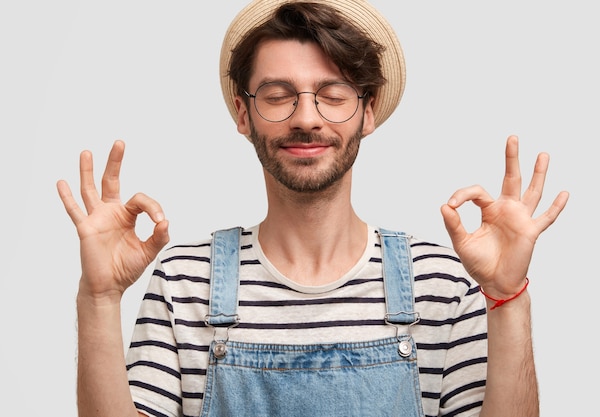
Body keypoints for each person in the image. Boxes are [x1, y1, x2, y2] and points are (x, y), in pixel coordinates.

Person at [57, 1, 569, 417]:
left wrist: (507, 298)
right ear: (243, 113)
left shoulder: (440, 284)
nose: (306, 118)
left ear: (368, 111)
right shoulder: (185, 282)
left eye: (332, 94)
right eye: (278, 95)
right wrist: (99, 299)